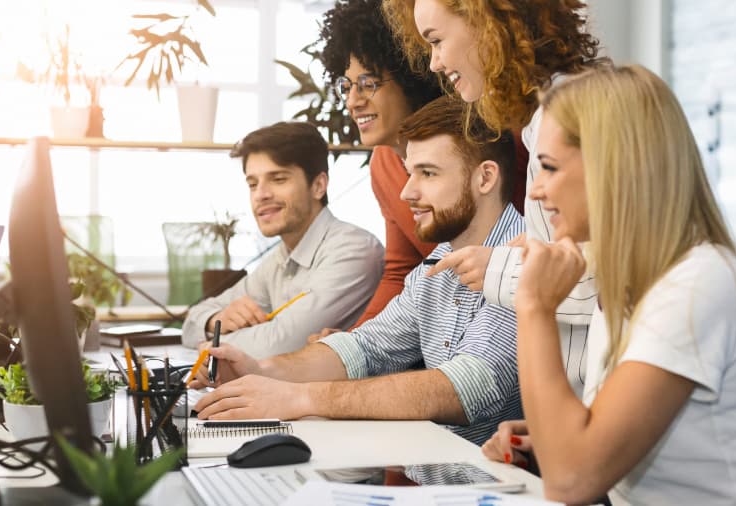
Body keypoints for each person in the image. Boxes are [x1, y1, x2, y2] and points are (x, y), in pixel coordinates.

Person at [482, 65, 736, 504]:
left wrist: (535, 306)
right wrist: (549, 437)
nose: (536, 191)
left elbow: (572, 480)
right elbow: (585, 456)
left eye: (550, 168)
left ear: (614, 170)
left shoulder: (695, 286)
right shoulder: (631, 286)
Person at [191, 96, 524, 445]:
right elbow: (364, 348)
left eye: (427, 173)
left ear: (485, 178)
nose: (407, 191)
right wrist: (259, 370)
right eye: (410, 173)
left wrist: (301, 397)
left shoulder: (522, 263)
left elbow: (464, 389)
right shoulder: (435, 267)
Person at [382, 0, 605, 392]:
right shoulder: (543, 118)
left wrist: (501, 269)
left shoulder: (569, 114)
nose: (433, 63)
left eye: (436, 41)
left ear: (487, 26)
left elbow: (609, 279)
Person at [181, 122, 384, 358]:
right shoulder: (279, 259)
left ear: (318, 186)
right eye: (252, 184)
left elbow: (278, 346)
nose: (261, 195)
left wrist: (212, 345)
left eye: (278, 179)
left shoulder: (354, 250)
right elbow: (190, 324)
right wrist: (215, 320)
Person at [310, 0, 442, 336]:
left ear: (412, 75)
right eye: (347, 85)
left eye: (368, 83)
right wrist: (354, 341)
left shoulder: (474, 148)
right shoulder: (383, 164)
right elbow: (401, 270)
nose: (353, 100)